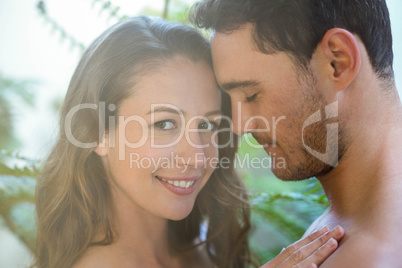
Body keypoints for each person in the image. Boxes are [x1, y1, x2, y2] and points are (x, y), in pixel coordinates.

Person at [33, 16, 344, 268]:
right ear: (95, 133)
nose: (197, 156)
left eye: (208, 124)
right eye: (165, 124)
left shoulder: (202, 242)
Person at [190, 0, 402, 267]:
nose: (239, 126)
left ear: (338, 62)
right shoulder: (345, 227)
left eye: (252, 94)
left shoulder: (371, 257)